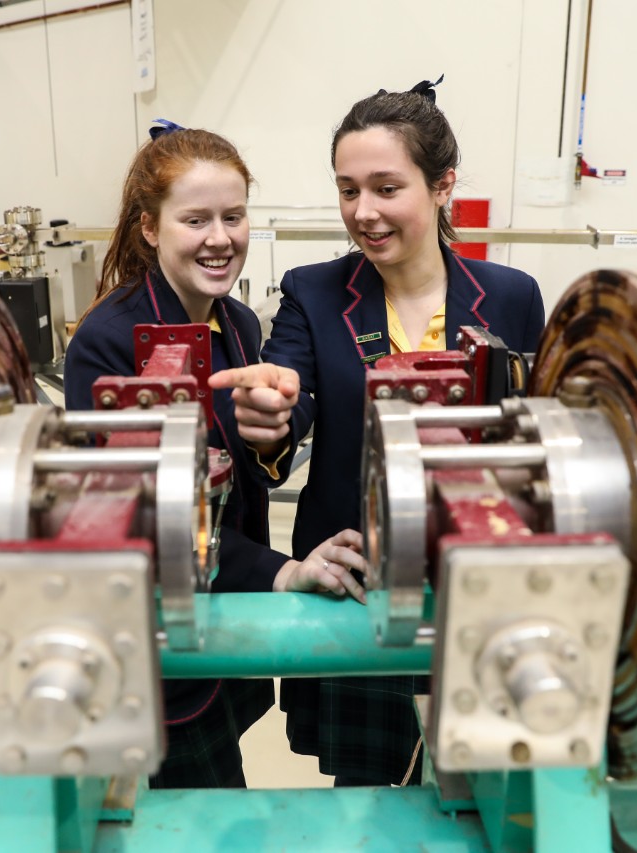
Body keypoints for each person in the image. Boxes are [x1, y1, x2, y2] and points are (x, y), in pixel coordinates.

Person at [210, 78, 546, 786]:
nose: (364, 212)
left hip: (475, 589)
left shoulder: (510, 297)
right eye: (347, 189)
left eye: (387, 187)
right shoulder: (315, 290)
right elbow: (289, 403)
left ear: (442, 184)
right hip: (356, 581)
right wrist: (270, 423)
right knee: (368, 799)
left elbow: (529, 439)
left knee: (481, 787)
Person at [63, 121, 367, 789]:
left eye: (233, 215)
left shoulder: (236, 321)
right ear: (150, 228)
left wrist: (272, 437)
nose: (220, 237)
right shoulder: (107, 343)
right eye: (195, 219)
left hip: (224, 607)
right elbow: (145, 517)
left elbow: (241, 466)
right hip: (160, 629)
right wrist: (283, 572)